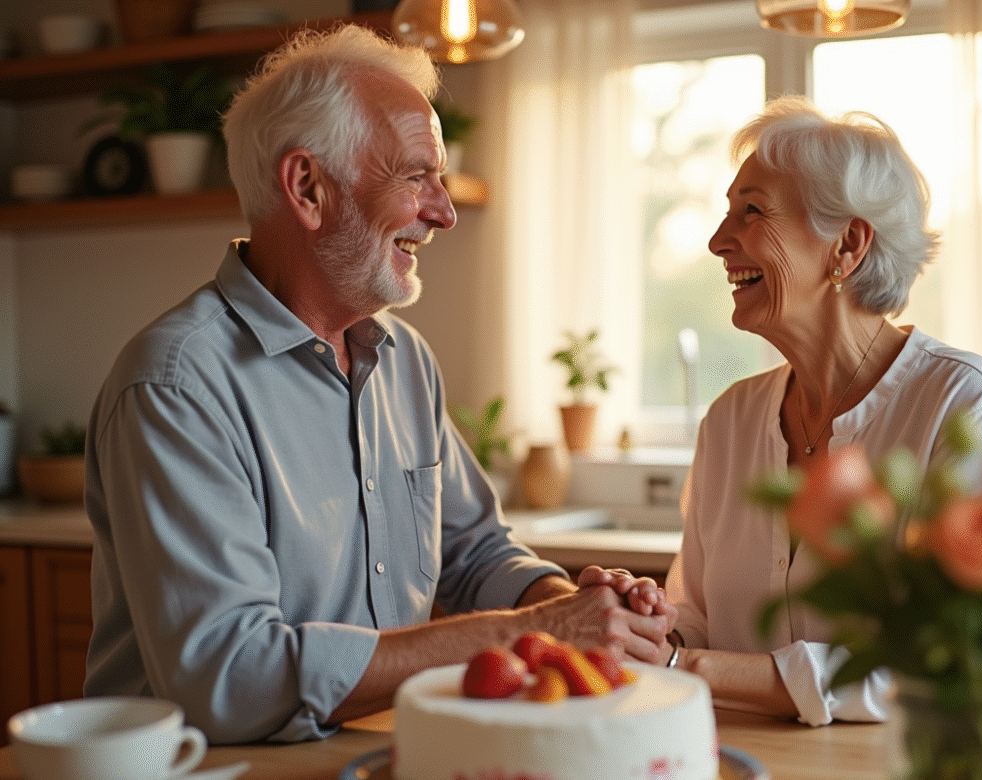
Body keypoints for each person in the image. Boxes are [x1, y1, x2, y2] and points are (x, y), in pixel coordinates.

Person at [83, 24, 672, 745]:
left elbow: (473, 554)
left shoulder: (404, 360)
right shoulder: (175, 386)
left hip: (376, 753)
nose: (444, 211)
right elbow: (229, 680)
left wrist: (572, 605)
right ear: (308, 188)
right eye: (417, 176)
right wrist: (538, 628)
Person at [659, 96, 982, 726]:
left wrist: (697, 669)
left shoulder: (962, 403)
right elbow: (692, 620)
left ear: (847, 245)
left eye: (752, 212)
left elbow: (956, 656)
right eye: (728, 214)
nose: (721, 241)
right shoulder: (729, 420)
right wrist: (644, 629)